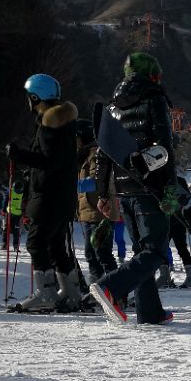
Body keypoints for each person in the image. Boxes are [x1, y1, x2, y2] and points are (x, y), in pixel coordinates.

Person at [90, 51, 185, 326]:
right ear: (152, 75)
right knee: (154, 251)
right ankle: (111, 286)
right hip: (149, 189)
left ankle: (150, 312)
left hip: (123, 191)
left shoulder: (112, 106)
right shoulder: (154, 99)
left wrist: (102, 194)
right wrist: (169, 190)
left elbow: (103, 152)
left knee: (142, 250)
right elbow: (165, 148)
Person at [6, 73, 80, 311]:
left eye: (30, 98)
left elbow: (49, 161)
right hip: (63, 196)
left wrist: (19, 155)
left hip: (48, 195)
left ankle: (46, 293)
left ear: (36, 97)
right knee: (56, 246)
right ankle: (71, 294)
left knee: (37, 243)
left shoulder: (50, 125)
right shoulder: (66, 124)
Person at [76, 118, 117, 282]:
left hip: (100, 211)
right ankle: (98, 285)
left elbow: (96, 181)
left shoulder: (96, 153)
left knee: (101, 252)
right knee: (91, 253)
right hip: (88, 212)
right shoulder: (83, 156)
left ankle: (116, 288)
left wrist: (72, 185)